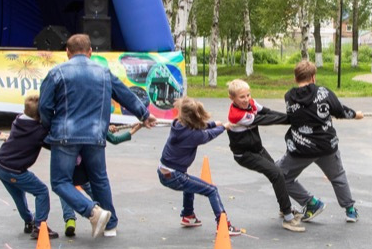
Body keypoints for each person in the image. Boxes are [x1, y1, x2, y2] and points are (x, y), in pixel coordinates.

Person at [38, 33, 157, 239]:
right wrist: (144, 114)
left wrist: (49, 128)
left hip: (65, 135)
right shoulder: (103, 72)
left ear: (67, 52)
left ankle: (92, 211)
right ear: (91, 51)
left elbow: (45, 106)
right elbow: (124, 94)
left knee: (59, 182)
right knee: (99, 179)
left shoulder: (56, 73)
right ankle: (110, 225)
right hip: (95, 135)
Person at [278, 59, 365, 223]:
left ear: (296, 78)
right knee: (338, 176)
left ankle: (310, 202)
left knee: (280, 175)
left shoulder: (289, 96)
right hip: (326, 146)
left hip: (301, 147)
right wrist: (356, 114)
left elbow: (295, 115)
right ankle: (350, 210)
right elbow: (339, 110)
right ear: (313, 77)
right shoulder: (323, 92)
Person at [225, 79, 305, 232]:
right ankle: (288, 218)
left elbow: (268, 112)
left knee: (278, 174)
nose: (246, 99)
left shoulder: (251, 103)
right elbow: (266, 120)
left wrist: (291, 116)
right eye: (242, 97)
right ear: (232, 98)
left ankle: (284, 209)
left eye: (248, 95)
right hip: (244, 155)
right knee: (276, 174)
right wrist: (292, 120)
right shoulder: (237, 115)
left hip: (257, 149)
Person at [157, 97, 241, 235]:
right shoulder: (193, 135)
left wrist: (213, 124)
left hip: (164, 171)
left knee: (189, 184)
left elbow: (197, 127)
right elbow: (206, 135)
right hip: (174, 175)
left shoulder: (177, 124)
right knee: (211, 190)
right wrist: (222, 127)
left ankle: (188, 216)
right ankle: (223, 224)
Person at [0, 93, 58, 240]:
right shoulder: (38, 131)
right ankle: (40, 226)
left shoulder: (18, 120)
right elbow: (51, 142)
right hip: (15, 170)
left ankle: (29, 221)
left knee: (18, 194)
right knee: (41, 191)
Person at [59, 124, 139, 237]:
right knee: (96, 190)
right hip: (84, 170)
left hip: (68, 166)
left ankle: (70, 220)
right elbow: (115, 140)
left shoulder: (66, 123)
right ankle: (109, 219)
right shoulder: (96, 123)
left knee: (64, 189)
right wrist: (134, 130)